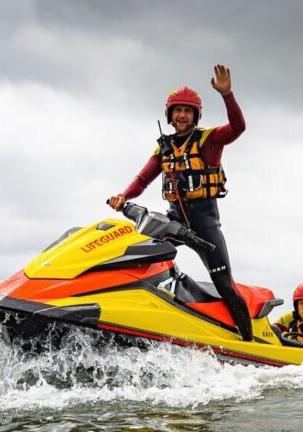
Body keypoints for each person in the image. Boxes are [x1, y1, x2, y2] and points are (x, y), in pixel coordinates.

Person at [107, 64, 253, 341]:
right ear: (170, 115)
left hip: (205, 226)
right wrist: (123, 196)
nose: (182, 115)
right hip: (173, 222)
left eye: (187, 110)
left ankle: (249, 342)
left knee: (224, 284)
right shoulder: (163, 147)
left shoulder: (209, 140)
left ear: (195, 115)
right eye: (178, 110)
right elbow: (142, 179)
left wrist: (227, 95)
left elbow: (238, 127)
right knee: (137, 260)